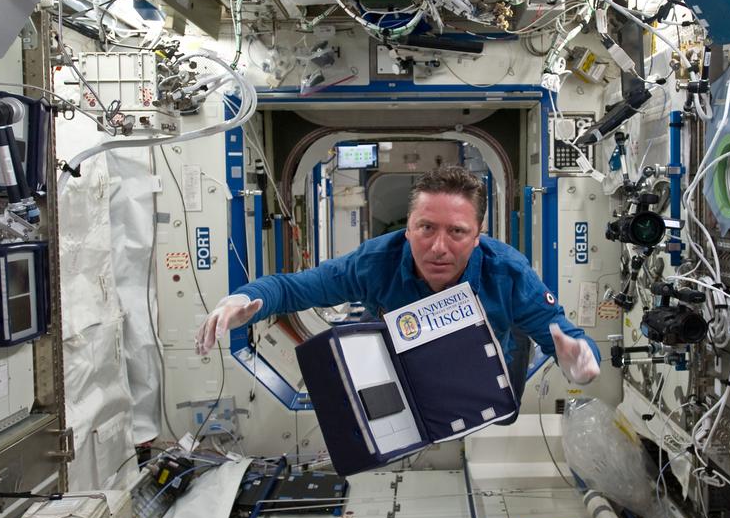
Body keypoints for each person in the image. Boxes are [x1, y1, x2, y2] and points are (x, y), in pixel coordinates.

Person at [194, 165, 601, 392]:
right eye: (426, 228)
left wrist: (582, 363)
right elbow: (293, 287)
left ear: (478, 238)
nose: (439, 247)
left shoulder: (508, 273)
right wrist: (240, 298)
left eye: (457, 232)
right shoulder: (377, 263)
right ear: (407, 228)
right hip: (414, 360)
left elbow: (567, 339)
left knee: (500, 416)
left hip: (493, 366)